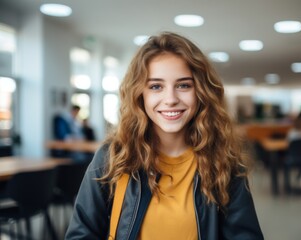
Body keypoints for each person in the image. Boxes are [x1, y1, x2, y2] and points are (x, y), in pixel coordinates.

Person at [65, 32, 263, 240]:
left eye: (184, 85)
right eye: (156, 86)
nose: (170, 99)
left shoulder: (224, 162)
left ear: (202, 92)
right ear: (140, 94)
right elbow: (82, 234)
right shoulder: (112, 156)